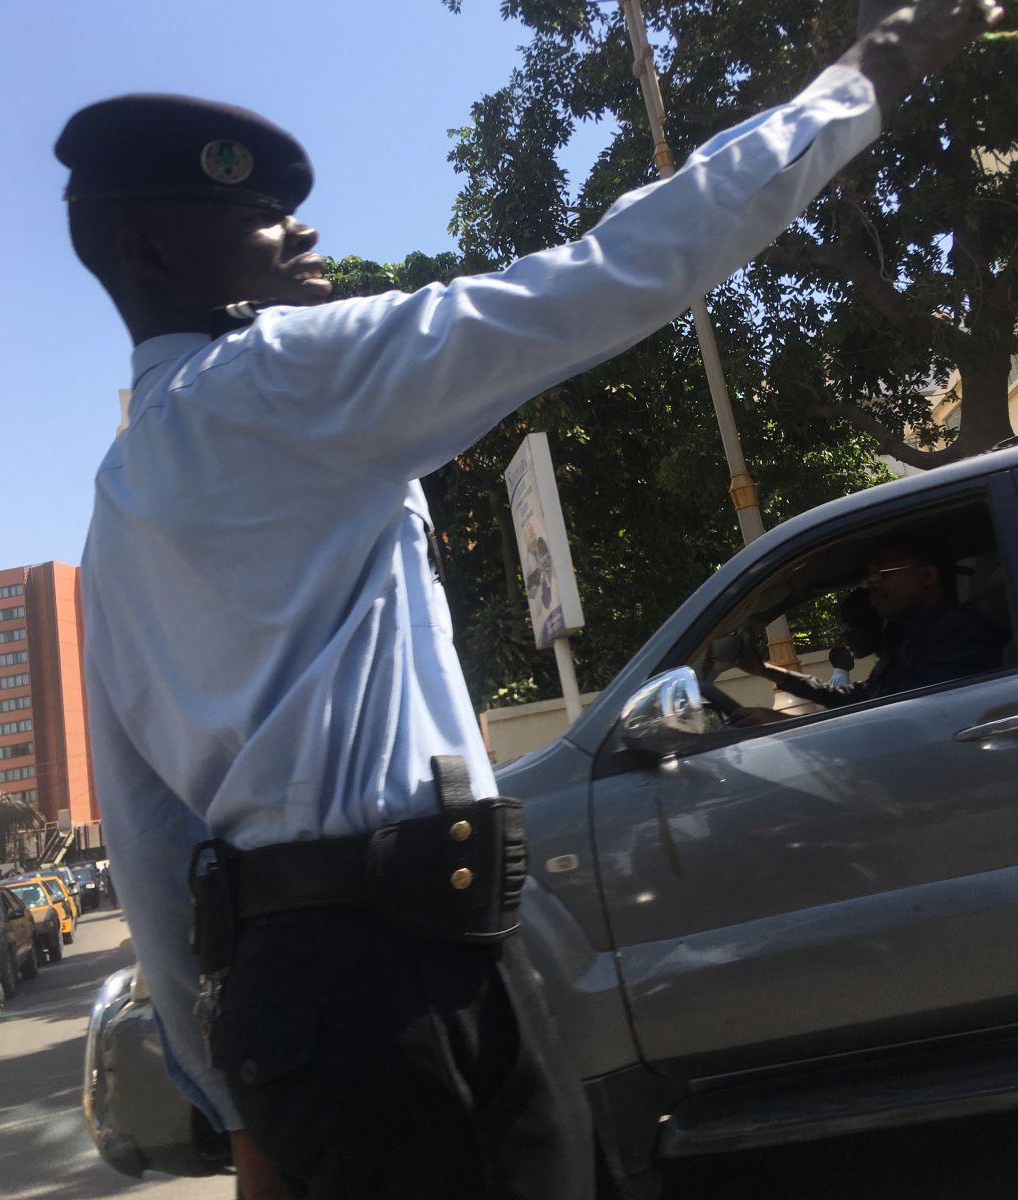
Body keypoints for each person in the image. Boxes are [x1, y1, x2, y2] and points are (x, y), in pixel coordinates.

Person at [55, 3, 1004, 1196]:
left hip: (314, 996)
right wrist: (863, 77)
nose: (300, 228)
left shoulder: (116, 503)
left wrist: (231, 1090)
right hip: (407, 984)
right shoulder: (285, 378)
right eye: (255, 214)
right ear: (154, 256)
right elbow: (615, 272)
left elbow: (147, 839)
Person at [732, 537, 1006, 726]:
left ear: (927, 576)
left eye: (882, 574)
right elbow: (863, 698)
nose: (872, 586)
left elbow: (911, 727)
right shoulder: (907, 635)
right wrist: (765, 669)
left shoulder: (958, 636)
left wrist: (784, 724)